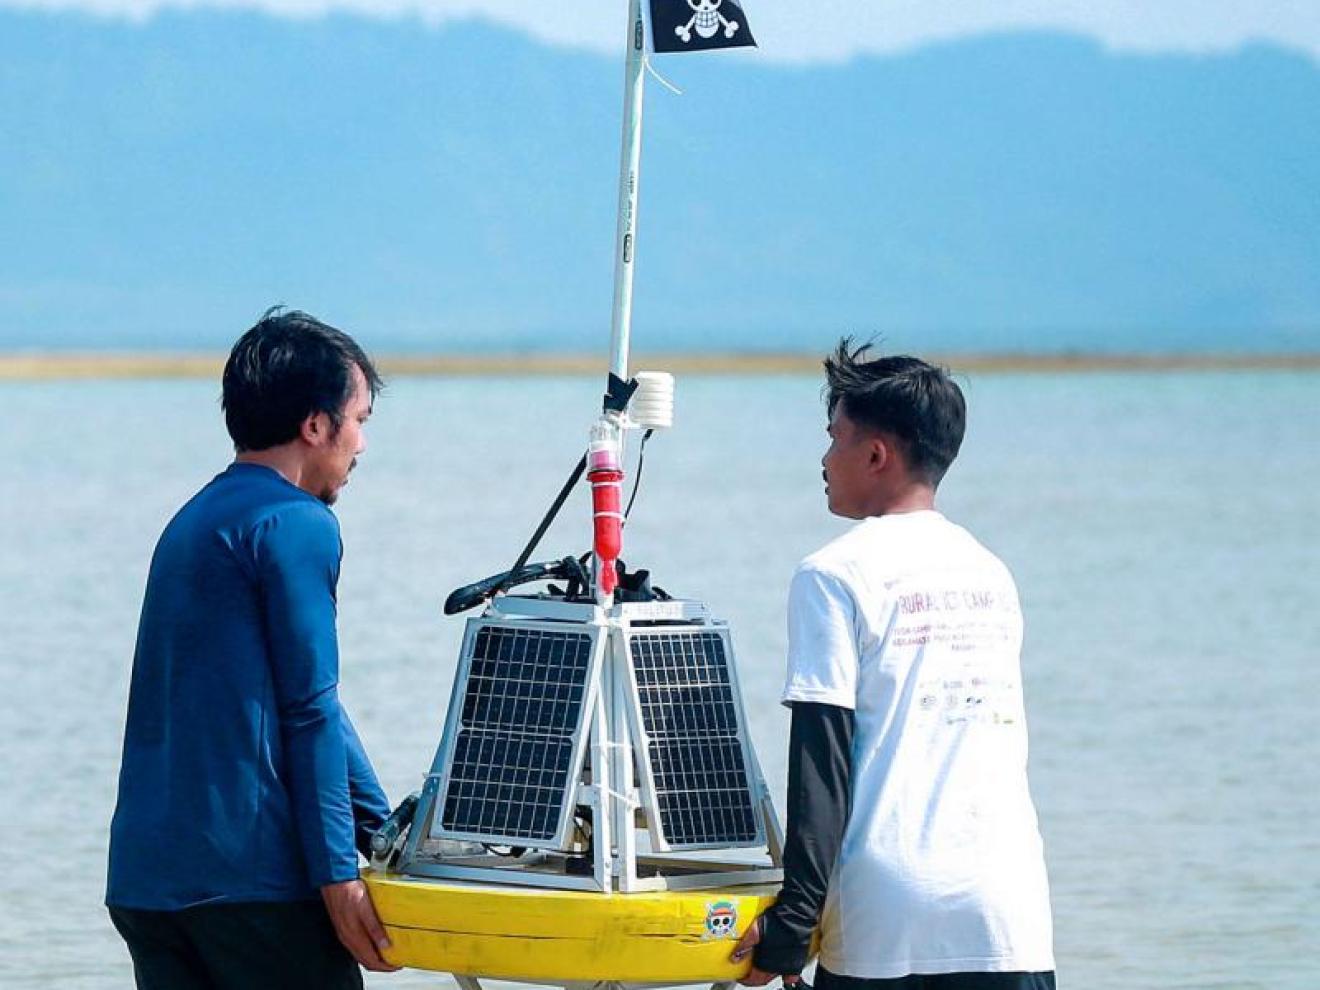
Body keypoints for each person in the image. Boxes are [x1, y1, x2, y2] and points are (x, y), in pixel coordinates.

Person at [731, 340, 1055, 989]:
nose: (824, 459)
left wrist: (791, 930)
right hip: (1008, 914)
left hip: (886, 917)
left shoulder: (834, 574)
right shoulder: (991, 572)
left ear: (876, 454)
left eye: (834, 438)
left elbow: (822, 764)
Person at [106, 308, 400, 989]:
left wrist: (382, 832)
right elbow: (309, 710)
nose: (360, 443)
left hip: (148, 885)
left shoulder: (194, 519)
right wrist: (337, 875)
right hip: (254, 888)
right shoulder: (297, 523)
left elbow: (302, 696)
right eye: (359, 420)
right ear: (316, 424)